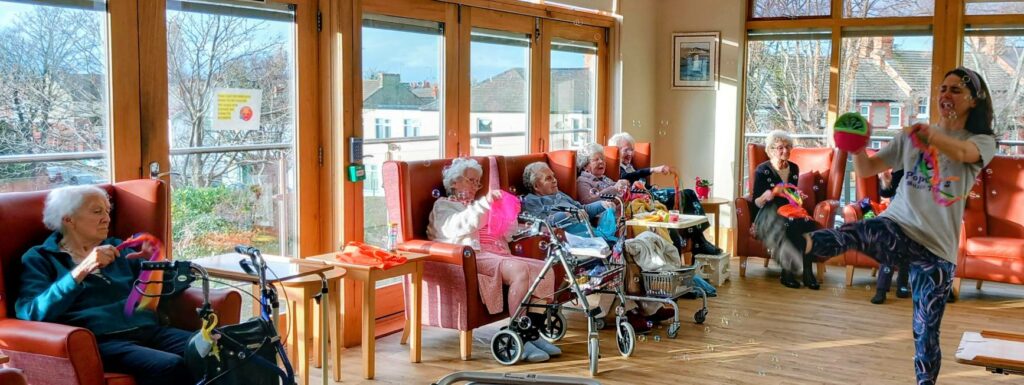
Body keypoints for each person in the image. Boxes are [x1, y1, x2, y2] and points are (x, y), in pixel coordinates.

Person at [784, 67, 996, 385]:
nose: (946, 95)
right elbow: (870, 167)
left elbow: (964, 152)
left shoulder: (980, 140)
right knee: (859, 231)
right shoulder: (910, 139)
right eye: (943, 89)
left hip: (937, 250)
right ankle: (803, 246)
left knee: (925, 331)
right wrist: (855, 146)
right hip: (898, 225)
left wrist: (930, 135)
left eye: (955, 90)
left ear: (974, 101)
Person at [15, 185, 192, 385]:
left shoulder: (121, 248)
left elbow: (158, 295)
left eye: (107, 211)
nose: (107, 218)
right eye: (97, 211)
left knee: (219, 348)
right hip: (101, 341)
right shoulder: (40, 258)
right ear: (68, 219)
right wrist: (84, 267)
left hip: (148, 329)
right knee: (169, 365)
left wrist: (155, 261)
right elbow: (31, 313)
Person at [427, 158, 561, 362]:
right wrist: (485, 204)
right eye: (471, 180)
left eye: (478, 182)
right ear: (454, 182)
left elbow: (507, 235)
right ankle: (518, 333)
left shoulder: (477, 205)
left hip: (499, 254)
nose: (475, 186)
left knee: (545, 269)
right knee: (519, 270)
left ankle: (531, 332)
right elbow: (457, 226)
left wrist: (508, 214)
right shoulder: (444, 205)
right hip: (475, 257)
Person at [605, 134, 723, 255]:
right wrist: (654, 169)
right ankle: (700, 243)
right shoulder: (616, 168)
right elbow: (627, 179)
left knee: (688, 194)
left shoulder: (629, 166)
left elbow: (640, 183)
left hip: (648, 195)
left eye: (632, 150)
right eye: (626, 150)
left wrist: (651, 187)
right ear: (616, 151)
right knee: (686, 194)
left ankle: (699, 241)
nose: (630, 153)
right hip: (642, 201)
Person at [750, 130, 821, 290]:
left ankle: (808, 273)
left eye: (788, 147)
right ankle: (787, 273)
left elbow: (790, 194)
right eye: (780, 147)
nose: (785, 151)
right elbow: (755, 201)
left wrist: (797, 196)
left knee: (809, 225)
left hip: (789, 211)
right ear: (771, 150)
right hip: (769, 213)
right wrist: (764, 198)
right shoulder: (762, 170)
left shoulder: (794, 168)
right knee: (793, 224)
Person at [520, 161, 614, 237]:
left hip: (590, 234)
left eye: (553, 176)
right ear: (536, 186)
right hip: (570, 241)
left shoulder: (558, 194)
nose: (554, 180)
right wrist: (567, 214)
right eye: (548, 178)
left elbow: (582, 210)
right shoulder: (530, 201)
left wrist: (602, 204)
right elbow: (542, 223)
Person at [869, 169, 909, 304]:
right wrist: (886, 183)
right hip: (897, 213)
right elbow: (886, 193)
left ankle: (902, 284)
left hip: (917, 216)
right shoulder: (900, 170)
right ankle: (881, 289)